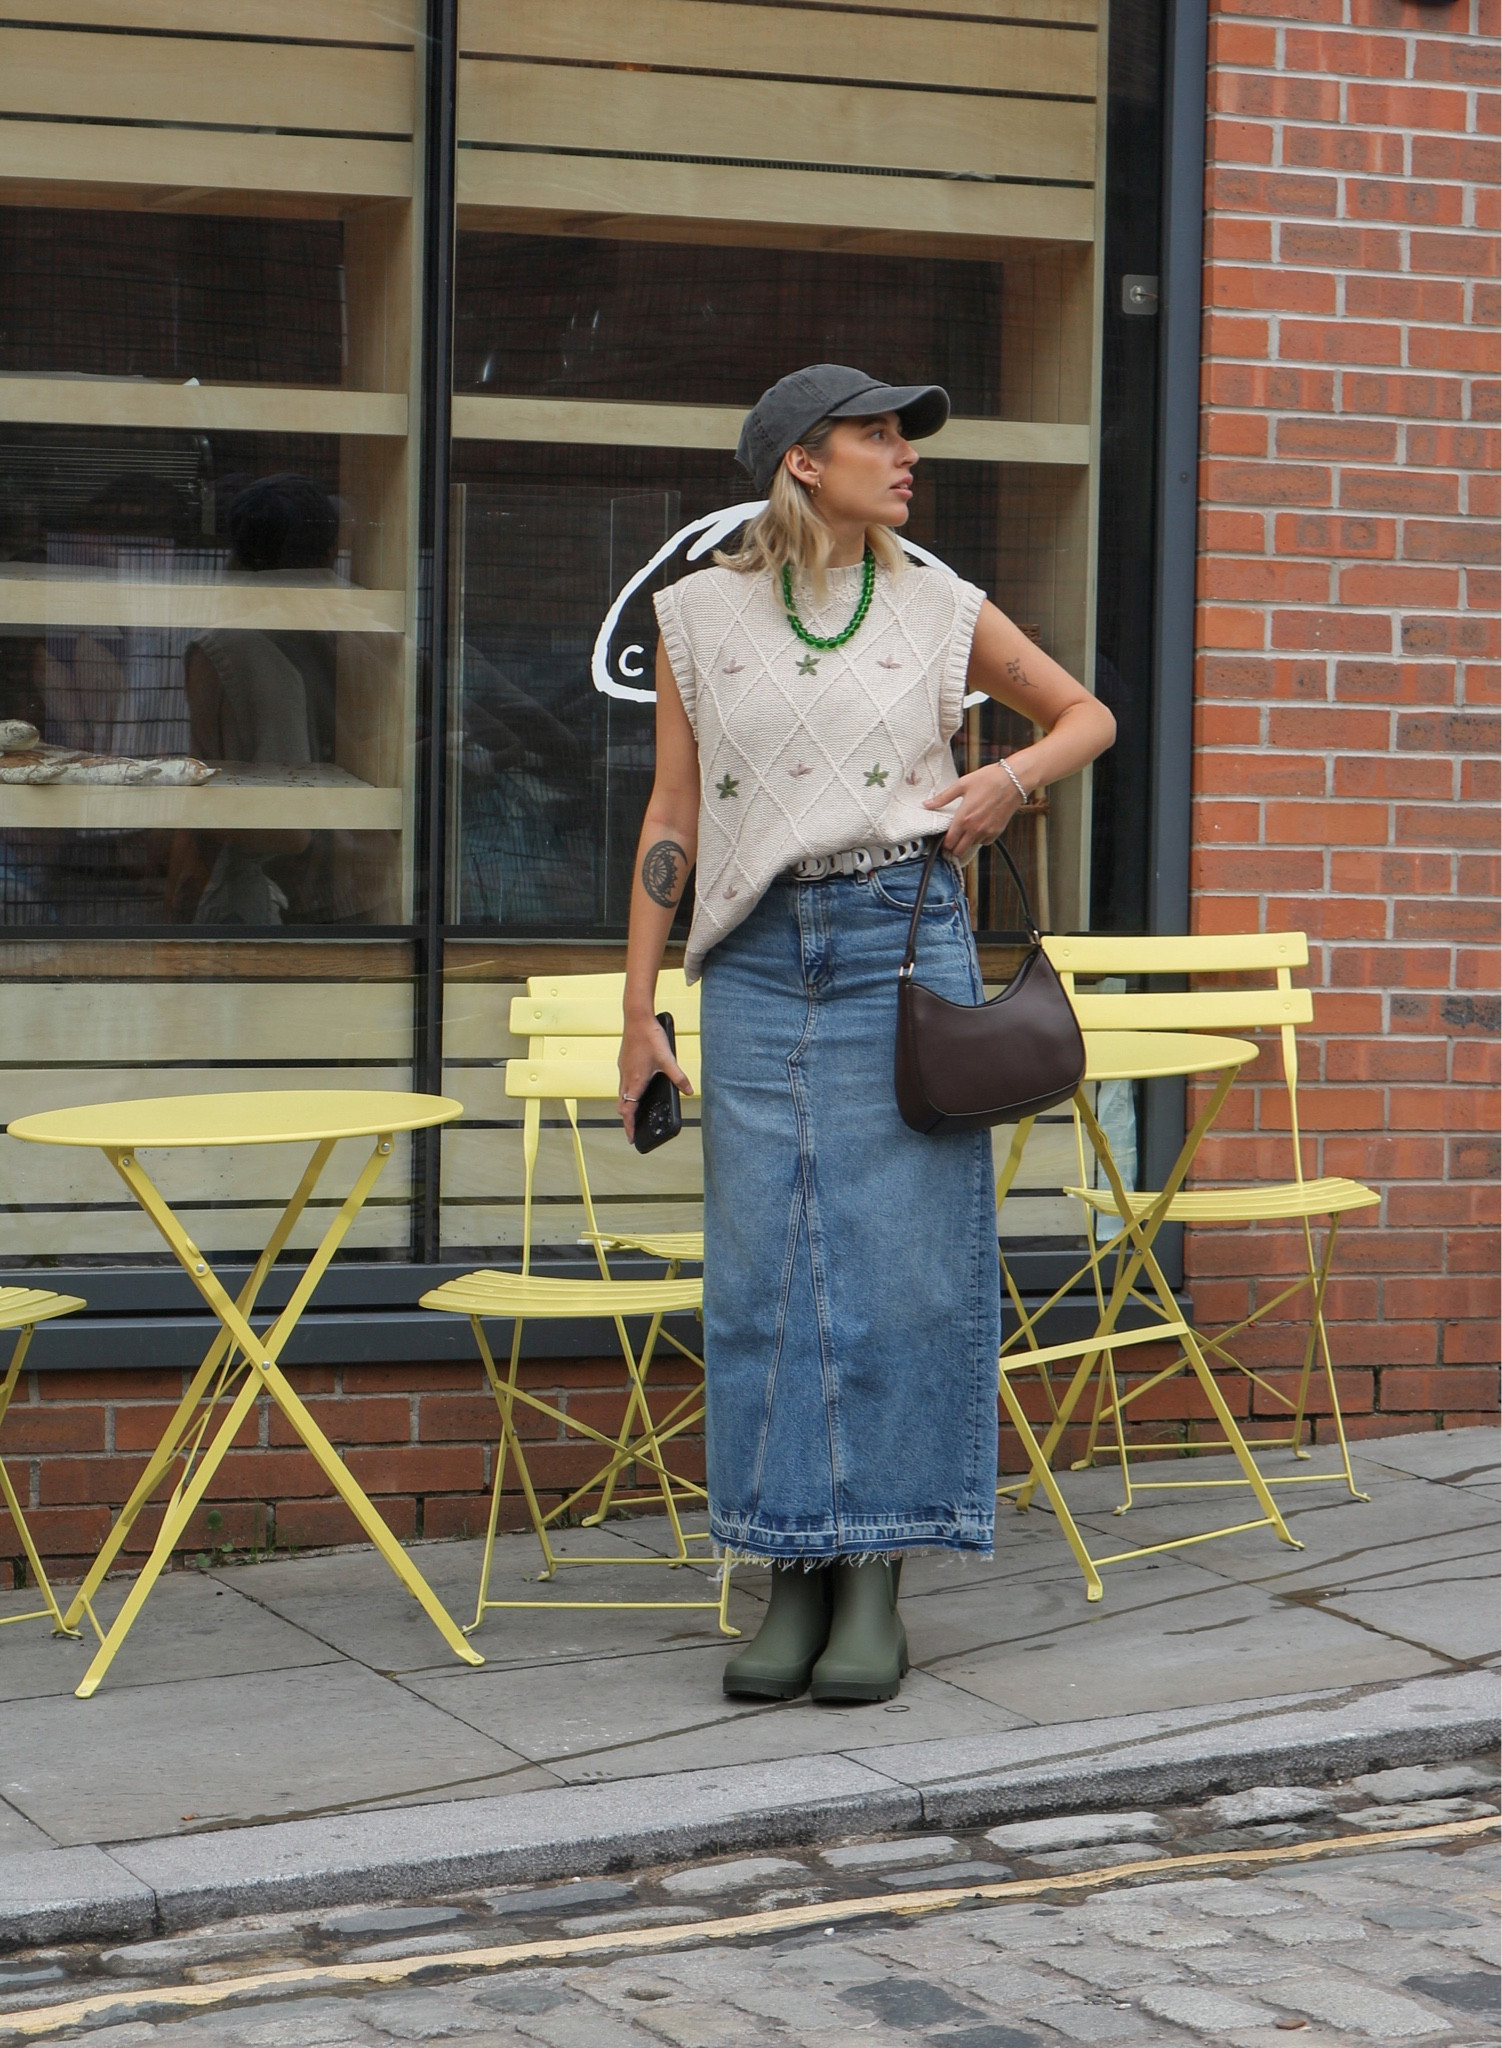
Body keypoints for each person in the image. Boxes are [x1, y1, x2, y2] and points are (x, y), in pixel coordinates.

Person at [617, 365, 1115, 1705]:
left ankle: (875, 1579)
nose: (905, 458)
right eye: (878, 437)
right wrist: (638, 1010)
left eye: (906, 438)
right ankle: (789, 1570)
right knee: (765, 1278)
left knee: (900, 1270)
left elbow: (1085, 716)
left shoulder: (938, 604)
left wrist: (1005, 779)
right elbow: (673, 815)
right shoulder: (695, 616)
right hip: (754, 959)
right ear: (801, 460)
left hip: (901, 941)